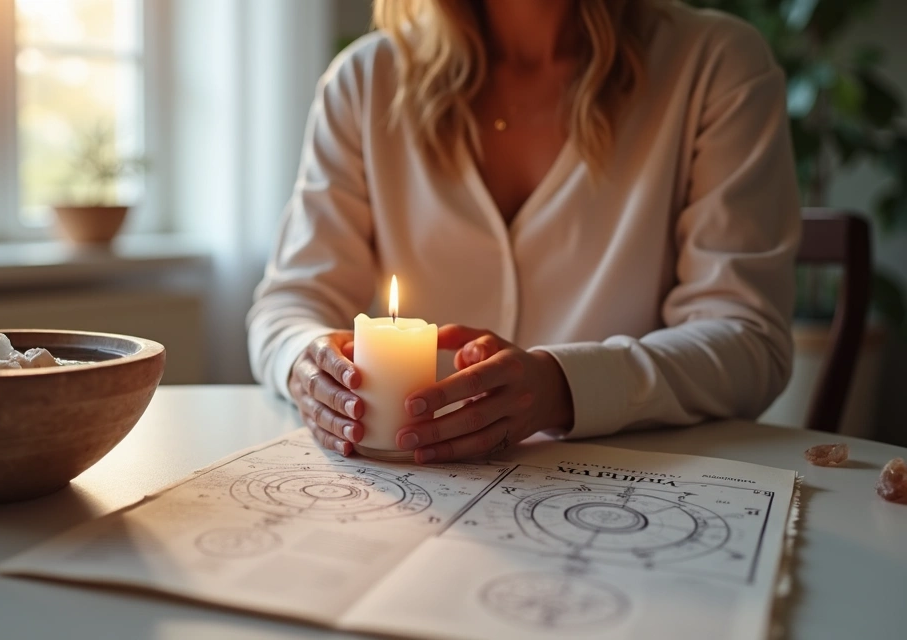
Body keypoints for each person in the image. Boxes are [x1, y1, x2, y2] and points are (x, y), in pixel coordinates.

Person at [247, 0, 799, 464]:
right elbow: (289, 306)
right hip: (413, 494)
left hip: (625, 492)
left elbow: (748, 339)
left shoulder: (715, 67)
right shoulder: (365, 82)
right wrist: (306, 365)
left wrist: (561, 387)